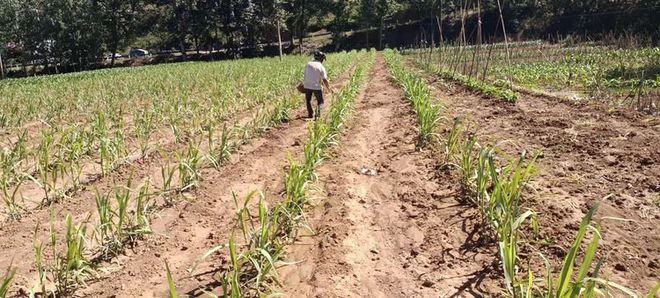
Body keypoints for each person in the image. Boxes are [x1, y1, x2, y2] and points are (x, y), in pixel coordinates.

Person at [303, 51, 334, 120]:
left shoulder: (308, 64)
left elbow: (305, 75)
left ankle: (310, 115)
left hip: (307, 85)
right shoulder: (321, 66)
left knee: (308, 100)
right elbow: (324, 79)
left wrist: (305, 84)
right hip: (316, 86)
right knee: (320, 101)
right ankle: (318, 116)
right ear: (321, 59)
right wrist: (329, 88)